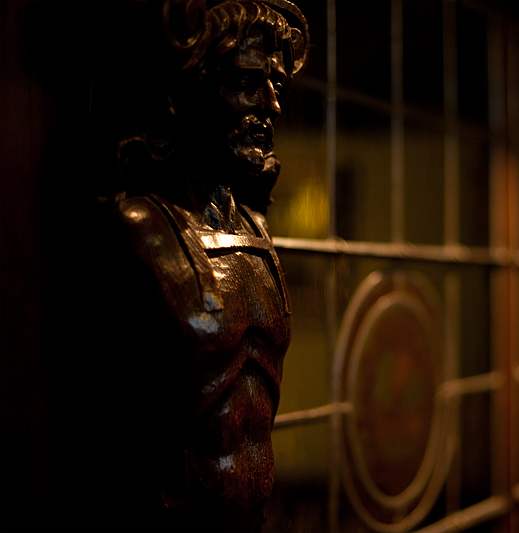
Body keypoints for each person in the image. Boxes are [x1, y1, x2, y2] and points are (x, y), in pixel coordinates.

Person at [97, 1, 308, 530]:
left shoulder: (257, 232)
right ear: (184, 93)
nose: (271, 106)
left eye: (277, 86)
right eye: (246, 83)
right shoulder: (142, 226)